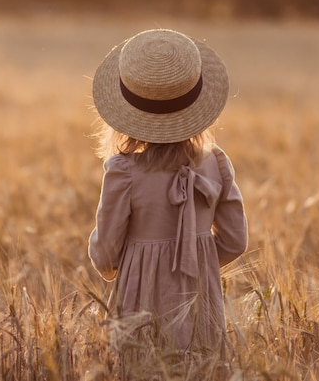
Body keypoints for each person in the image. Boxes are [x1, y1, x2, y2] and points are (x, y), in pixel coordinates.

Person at [88, 29, 248, 356]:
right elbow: (235, 240)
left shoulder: (124, 171)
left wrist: (138, 261)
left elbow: (105, 252)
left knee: (140, 365)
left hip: (139, 304)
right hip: (200, 301)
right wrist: (195, 259)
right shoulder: (216, 162)